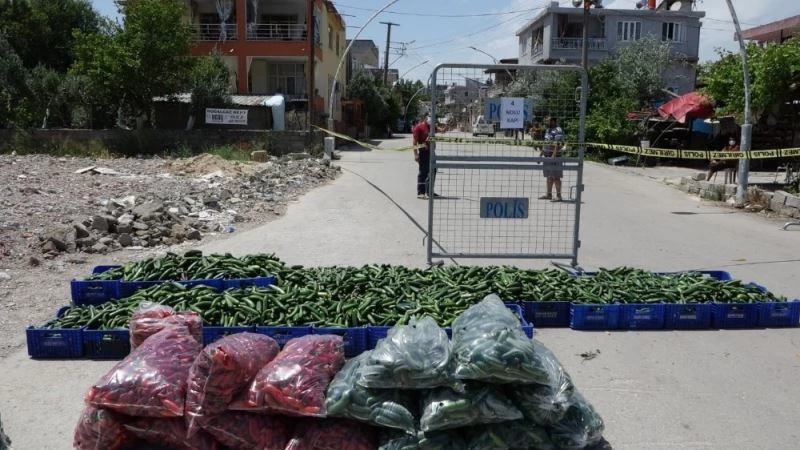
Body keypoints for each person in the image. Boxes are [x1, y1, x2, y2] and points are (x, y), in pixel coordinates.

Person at [539, 117, 565, 202]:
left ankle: (559, 196)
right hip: (547, 156)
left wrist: (553, 156)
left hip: (555, 157)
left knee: (556, 177)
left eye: (548, 120)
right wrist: (540, 155)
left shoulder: (558, 130)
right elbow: (545, 143)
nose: (546, 121)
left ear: (553, 121)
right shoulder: (548, 130)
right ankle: (549, 194)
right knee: (549, 176)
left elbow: (559, 144)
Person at [413, 113, 433, 199]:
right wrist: (416, 154)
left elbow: (442, 130)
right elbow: (414, 142)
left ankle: (429, 191)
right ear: (425, 117)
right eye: (430, 116)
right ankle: (420, 192)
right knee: (423, 172)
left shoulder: (431, 127)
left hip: (431, 153)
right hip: (423, 153)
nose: (431, 119)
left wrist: (448, 126)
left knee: (433, 171)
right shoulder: (418, 127)